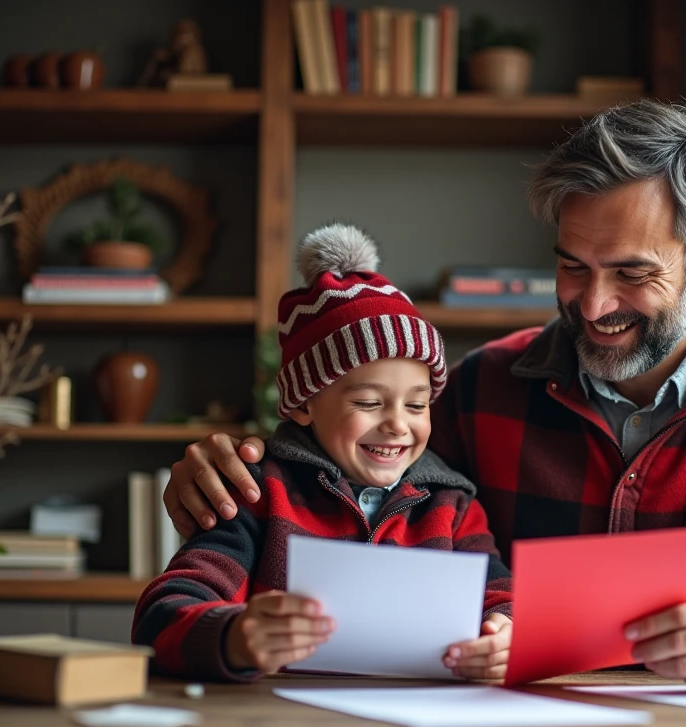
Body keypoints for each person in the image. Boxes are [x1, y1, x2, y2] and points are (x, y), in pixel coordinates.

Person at [161, 100, 686, 694]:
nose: (594, 303)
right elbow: (343, 486)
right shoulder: (479, 392)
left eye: (633, 273)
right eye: (573, 266)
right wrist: (223, 480)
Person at [133, 224, 513, 682]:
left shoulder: (453, 509)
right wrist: (232, 636)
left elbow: (502, 600)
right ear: (305, 405)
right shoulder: (256, 495)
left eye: (417, 405)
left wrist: (506, 635)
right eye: (369, 403)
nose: (397, 423)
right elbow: (162, 613)